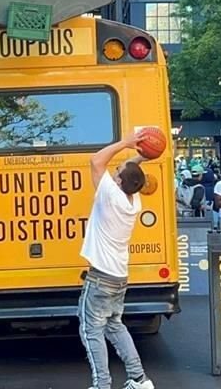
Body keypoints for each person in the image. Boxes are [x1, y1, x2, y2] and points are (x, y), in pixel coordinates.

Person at [77, 133, 155, 389]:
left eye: (117, 170)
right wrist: (142, 154)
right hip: (119, 276)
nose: (114, 169)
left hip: (100, 277)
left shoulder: (110, 195)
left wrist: (125, 142)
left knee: (91, 331)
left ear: (118, 181)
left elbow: (96, 161)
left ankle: (102, 385)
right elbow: (132, 172)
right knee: (114, 326)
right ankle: (139, 379)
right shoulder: (132, 199)